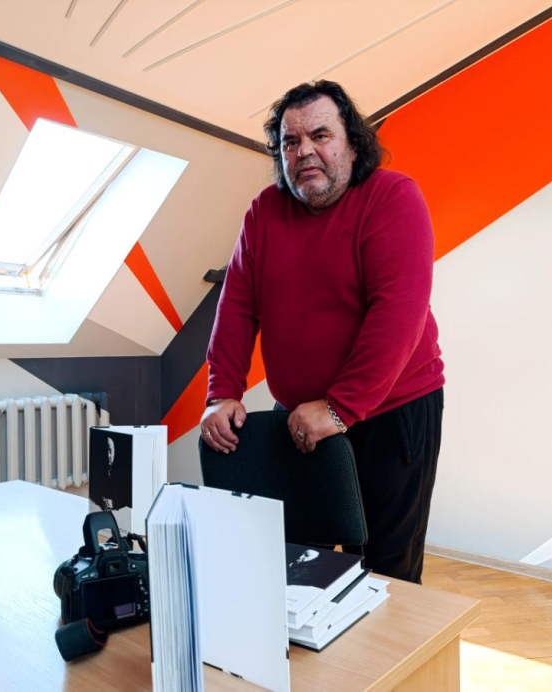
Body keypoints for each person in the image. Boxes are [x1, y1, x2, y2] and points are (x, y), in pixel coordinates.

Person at [200, 80, 445, 584]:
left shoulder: (393, 197)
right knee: (296, 562)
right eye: (290, 142)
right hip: (297, 419)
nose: (304, 151)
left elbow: (398, 313)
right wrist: (222, 392)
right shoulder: (263, 212)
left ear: (353, 144)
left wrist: (339, 408)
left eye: (320, 135)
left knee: (384, 573)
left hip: (392, 412)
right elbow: (237, 306)